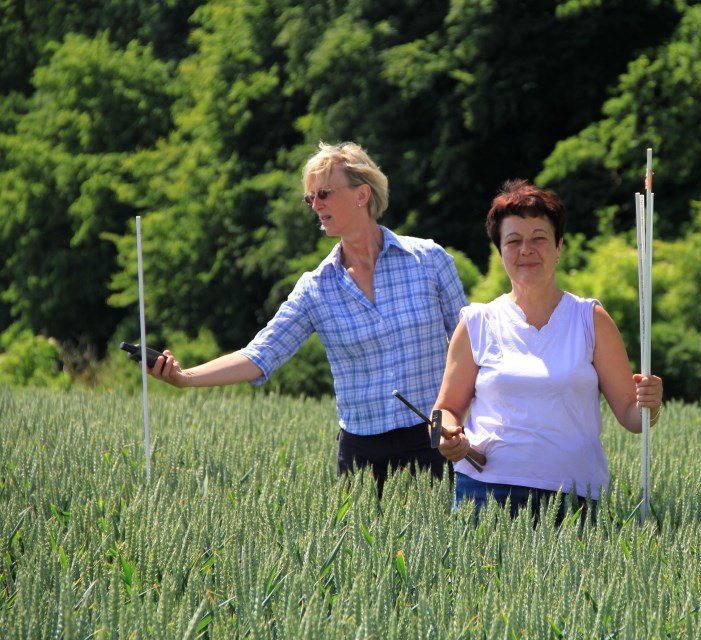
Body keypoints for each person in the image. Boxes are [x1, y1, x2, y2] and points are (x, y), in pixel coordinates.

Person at [148, 141, 468, 492]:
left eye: (324, 194)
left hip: (434, 438)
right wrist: (185, 377)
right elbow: (260, 355)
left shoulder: (430, 260)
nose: (315, 205)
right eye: (309, 198)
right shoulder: (315, 288)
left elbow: (470, 349)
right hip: (361, 454)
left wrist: (466, 425)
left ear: (362, 194)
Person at [432, 179, 663, 520]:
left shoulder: (590, 319)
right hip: (486, 493)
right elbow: (445, 409)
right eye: (513, 241)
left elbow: (632, 415)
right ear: (500, 252)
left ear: (558, 248)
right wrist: (446, 436)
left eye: (539, 238)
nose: (526, 250)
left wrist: (650, 405)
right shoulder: (477, 321)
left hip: (576, 498)